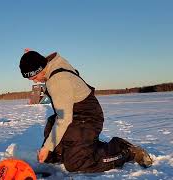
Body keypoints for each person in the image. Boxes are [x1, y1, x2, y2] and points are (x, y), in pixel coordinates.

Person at [19, 50, 153, 172]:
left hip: (89, 117)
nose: (35, 82)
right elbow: (41, 62)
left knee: (75, 163)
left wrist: (47, 147)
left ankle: (125, 150)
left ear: (41, 68)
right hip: (77, 114)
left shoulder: (57, 81)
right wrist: (33, 57)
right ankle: (83, 147)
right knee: (53, 153)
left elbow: (64, 119)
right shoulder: (53, 63)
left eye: (34, 77)